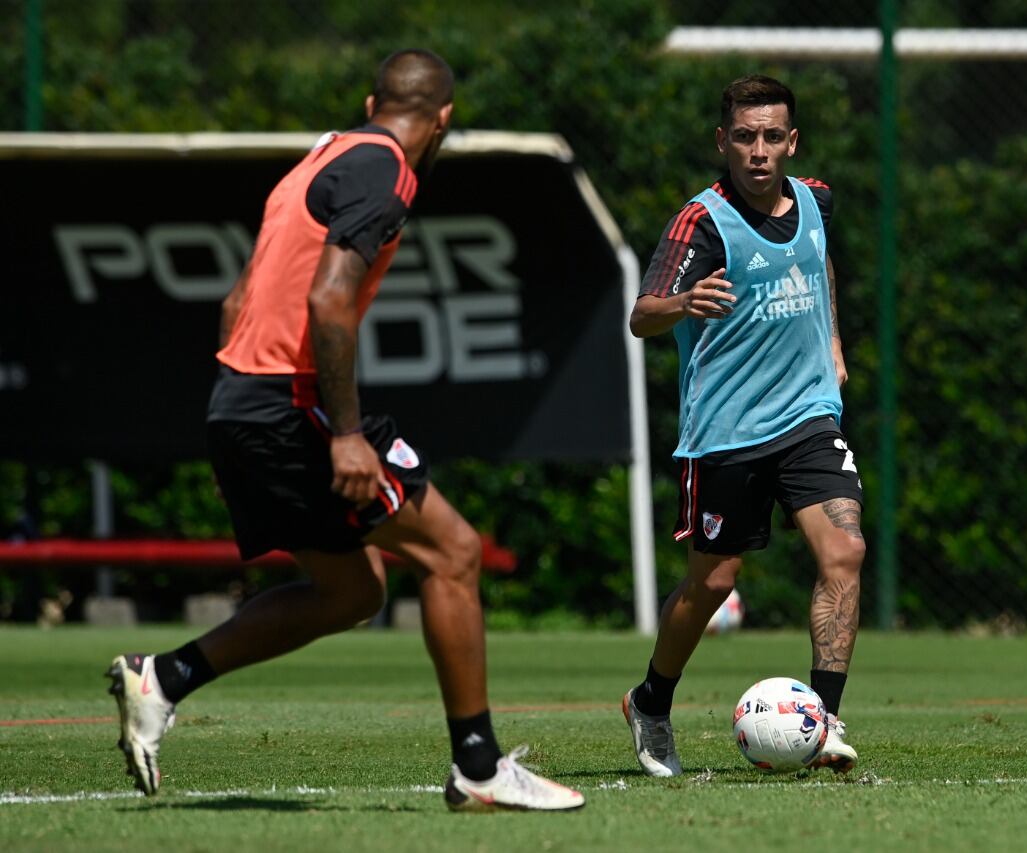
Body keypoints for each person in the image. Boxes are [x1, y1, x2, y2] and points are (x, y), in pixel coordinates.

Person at [105, 49, 583, 813]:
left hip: (240, 400)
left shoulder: (317, 160)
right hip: (290, 405)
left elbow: (235, 306)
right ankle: (480, 767)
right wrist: (345, 435)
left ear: (371, 101)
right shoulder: (389, 170)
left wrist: (258, 398)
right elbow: (331, 303)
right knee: (454, 552)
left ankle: (163, 678)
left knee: (352, 587)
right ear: (445, 119)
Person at [622, 75, 865, 777]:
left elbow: (818, 260)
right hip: (726, 430)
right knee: (714, 581)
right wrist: (683, 301)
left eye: (771, 137)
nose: (758, 151)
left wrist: (835, 344)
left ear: (792, 141)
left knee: (844, 550)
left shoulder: (815, 198)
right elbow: (642, 316)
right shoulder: (700, 222)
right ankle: (651, 700)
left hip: (808, 415)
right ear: (722, 141)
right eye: (744, 137)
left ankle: (823, 721)